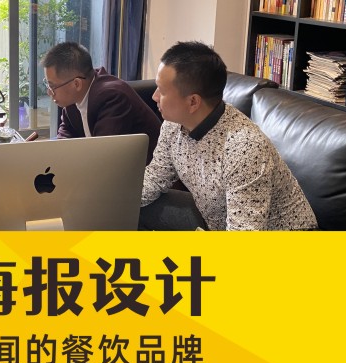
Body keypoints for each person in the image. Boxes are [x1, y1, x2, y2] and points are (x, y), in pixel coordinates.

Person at [142, 41, 317, 230]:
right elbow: (155, 178)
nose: (154, 96)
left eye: (162, 91)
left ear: (193, 102)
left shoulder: (245, 149)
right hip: (218, 223)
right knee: (133, 205)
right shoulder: (173, 124)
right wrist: (117, 199)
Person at [41, 42, 162, 164]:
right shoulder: (73, 98)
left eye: (52, 86)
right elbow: (65, 136)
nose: (49, 92)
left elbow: (102, 155)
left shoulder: (112, 98)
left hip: (147, 170)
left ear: (76, 84)